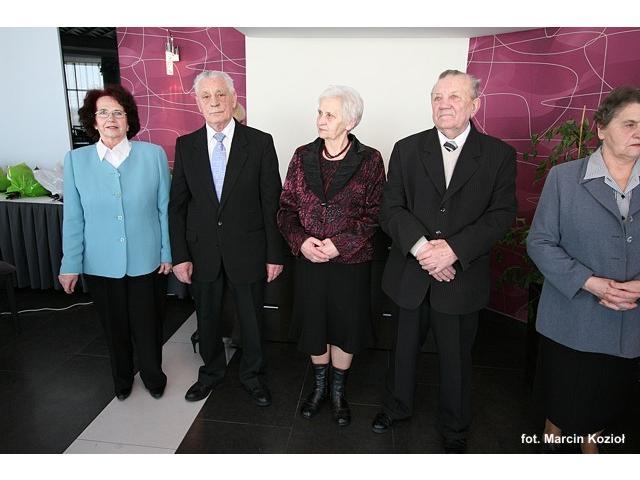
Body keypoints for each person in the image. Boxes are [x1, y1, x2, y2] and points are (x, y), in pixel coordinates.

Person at [371, 70, 517, 453]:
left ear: (474, 105)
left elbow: (501, 215)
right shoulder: (406, 148)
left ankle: (455, 426)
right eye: (437, 97)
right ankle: (396, 407)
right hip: (410, 273)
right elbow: (390, 208)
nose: (444, 104)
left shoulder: (499, 155)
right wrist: (423, 250)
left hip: (460, 276)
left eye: (454, 97)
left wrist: (452, 250)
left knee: (456, 359)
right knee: (402, 350)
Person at [527, 86, 640, 454]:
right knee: (563, 396)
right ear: (601, 129)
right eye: (629, 124)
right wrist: (590, 283)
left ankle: (592, 441)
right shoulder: (564, 178)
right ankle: (554, 434)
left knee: (611, 398)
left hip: (631, 320)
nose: (638, 133)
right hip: (573, 316)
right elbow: (540, 242)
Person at [169, 71, 285, 406]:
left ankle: (253, 375)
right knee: (206, 318)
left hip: (248, 249)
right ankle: (210, 373)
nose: (215, 101)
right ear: (198, 103)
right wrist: (180, 255)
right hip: (201, 251)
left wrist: (274, 254)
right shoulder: (186, 145)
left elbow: (272, 202)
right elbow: (177, 207)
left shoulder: (260, 143)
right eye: (206, 96)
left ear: (234, 99)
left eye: (221, 94)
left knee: (251, 319)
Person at [278, 85, 385, 426]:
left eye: (329, 114)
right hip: (310, 261)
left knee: (345, 327)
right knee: (315, 324)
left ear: (350, 121)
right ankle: (319, 387)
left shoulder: (370, 160)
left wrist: (340, 244)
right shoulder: (302, 156)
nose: (320, 120)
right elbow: (286, 209)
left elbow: (375, 214)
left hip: (350, 263)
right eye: (320, 112)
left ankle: (338, 392)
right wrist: (301, 242)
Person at [59, 85, 172, 401]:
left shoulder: (153, 156)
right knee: (114, 326)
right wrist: (70, 264)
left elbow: (165, 209)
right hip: (100, 262)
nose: (111, 118)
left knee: (149, 325)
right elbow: (73, 218)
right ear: (93, 120)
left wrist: (167, 252)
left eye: (118, 112)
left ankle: (153, 376)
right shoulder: (76, 161)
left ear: (128, 120)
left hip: (148, 259)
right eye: (103, 112)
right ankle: (122, 379)